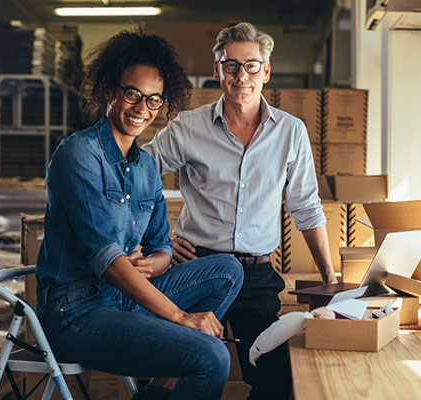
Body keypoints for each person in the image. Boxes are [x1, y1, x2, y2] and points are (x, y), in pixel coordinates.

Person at [34, 31, 244, 400]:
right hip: (75, 312)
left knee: (228, 270)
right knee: (211, 356)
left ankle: (159, 390)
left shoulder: (146, 165)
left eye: (153, 100)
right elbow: (109, 260)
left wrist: (153, 263)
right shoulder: (79, 155)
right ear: (110, 91)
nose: (141, 108)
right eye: (132, 94)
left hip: (122, 298)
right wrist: (180, 318)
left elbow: (161, 244)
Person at [143, 22, 337, 400]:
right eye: (230, 65)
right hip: (197, 267)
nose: (240, 75)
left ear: (265, 71)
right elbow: (136, 177)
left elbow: (306, 207)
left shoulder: (290, 132)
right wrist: (161, 241)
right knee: (177, 373)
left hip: (256, 273)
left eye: (251, 65)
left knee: (276, 378)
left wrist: (329, 277)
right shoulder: (188, 127)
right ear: (217, 71)